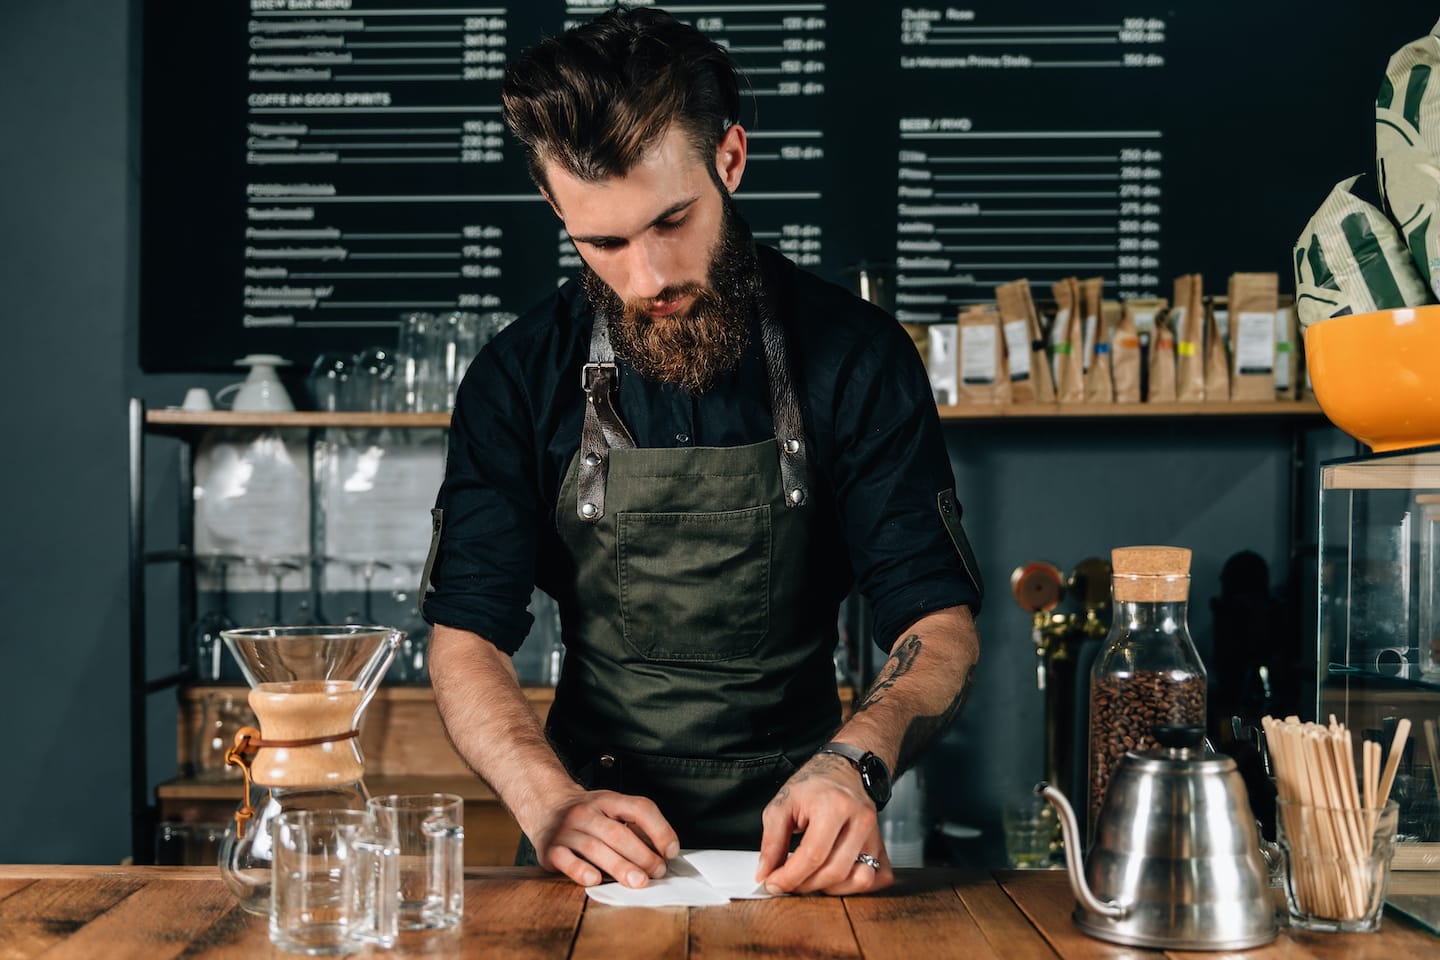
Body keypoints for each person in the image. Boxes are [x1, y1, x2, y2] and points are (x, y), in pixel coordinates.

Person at [421, 5, 983, 896]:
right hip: (593, 850)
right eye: (602, 241)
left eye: (670, 221)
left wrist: (856, 767)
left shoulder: (858, 357)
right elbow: (466, 640)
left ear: (729, 159)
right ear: (552, 204)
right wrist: (548, 802)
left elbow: (936, 627)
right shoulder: (516, 377)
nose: (646, 278)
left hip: (807, 843)